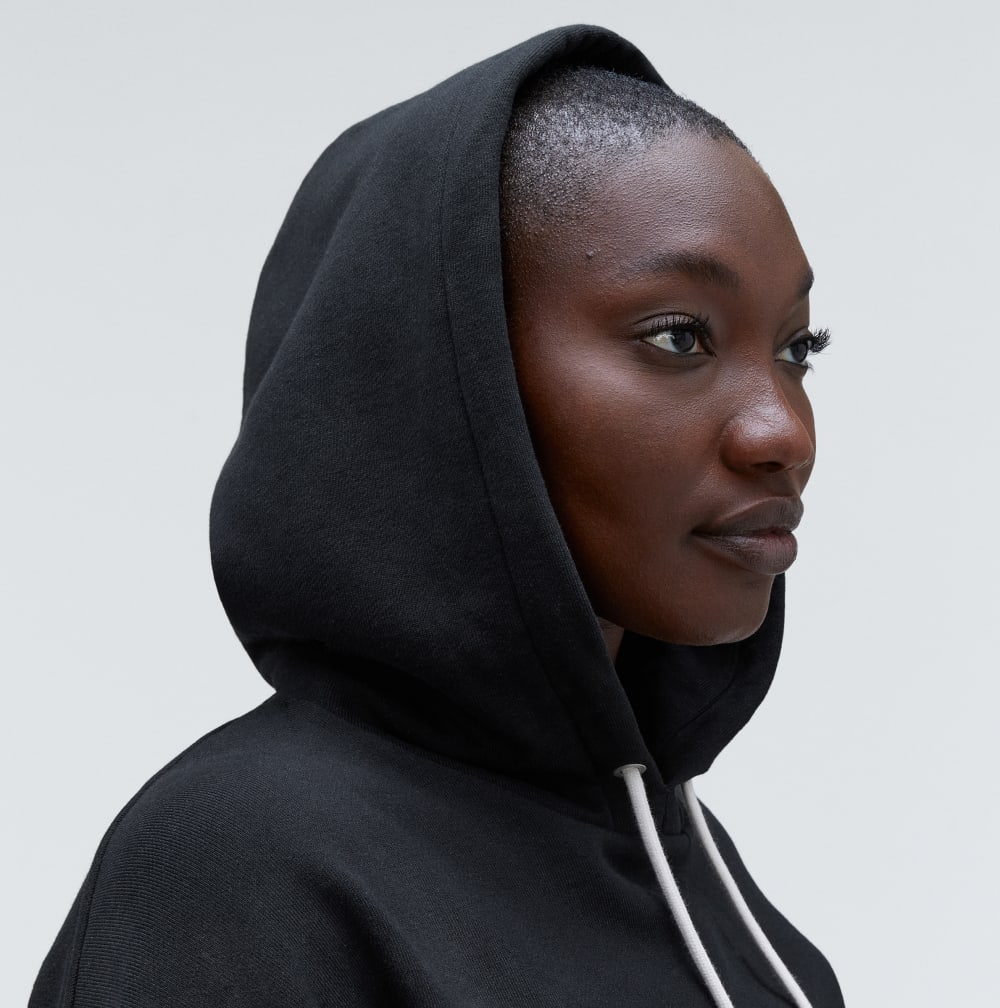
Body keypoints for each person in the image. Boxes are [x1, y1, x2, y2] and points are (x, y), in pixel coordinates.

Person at [29, 24, 844, 1008]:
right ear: (448, 371)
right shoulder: (241, 867)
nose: (782, 431)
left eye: (797, 349)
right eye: (679, 337)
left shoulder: (708, 889)